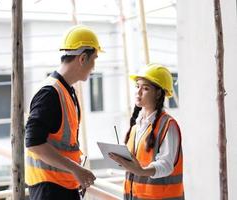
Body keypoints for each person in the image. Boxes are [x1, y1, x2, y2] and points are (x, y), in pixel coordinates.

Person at [25, 25, 103, 200]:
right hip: (49, 190)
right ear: (83, 58)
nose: (94, 67)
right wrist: (76, 169)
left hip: (62, 186)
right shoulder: (50, 93)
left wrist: (75, 172)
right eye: (94, 59)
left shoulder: (66, 91)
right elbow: (33, 143)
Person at [109, 63, 184, 200]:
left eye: (145, 88)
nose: (138, 92)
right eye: (137, 86)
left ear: (158, 93)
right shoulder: (136, 126)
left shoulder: (168, 125)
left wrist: (141, 171)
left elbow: (166, 165)